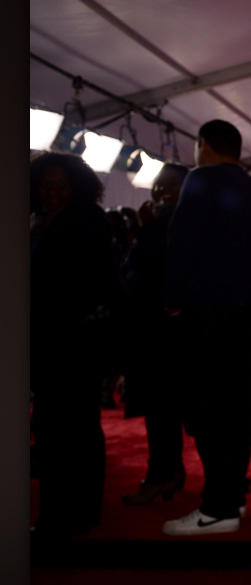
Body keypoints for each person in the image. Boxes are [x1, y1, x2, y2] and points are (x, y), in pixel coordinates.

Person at [162, 120, 251, 535]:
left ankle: (218, 506)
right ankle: (231, 497)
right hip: (244, 314)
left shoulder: (201, 179)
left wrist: (172, 300)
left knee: (207, 411)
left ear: (202, 144)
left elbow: (181, 245)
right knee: (235, 410)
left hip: (207, 313)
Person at [29, 152, 124, 540]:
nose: (52, 192)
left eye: (62, 186)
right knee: (69, 431)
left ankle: (60, 518)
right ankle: (76, 514)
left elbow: (85, 286)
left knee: (65, 433)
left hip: (70, 345)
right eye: (45, 184)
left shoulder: (83, 221)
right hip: (57, 343)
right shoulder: (42, 220)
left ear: (77, 188)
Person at [121, 163, 190, 505]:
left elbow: (153, 272)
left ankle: (162, 474)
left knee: (163, 409)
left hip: (168, 334)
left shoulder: (181, 225)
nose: (163, 190)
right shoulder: (154, 223)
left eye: (172, 184)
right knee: (162, 410)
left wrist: (143, 232)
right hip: (154, 330)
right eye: (160, 185)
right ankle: (168, 472)